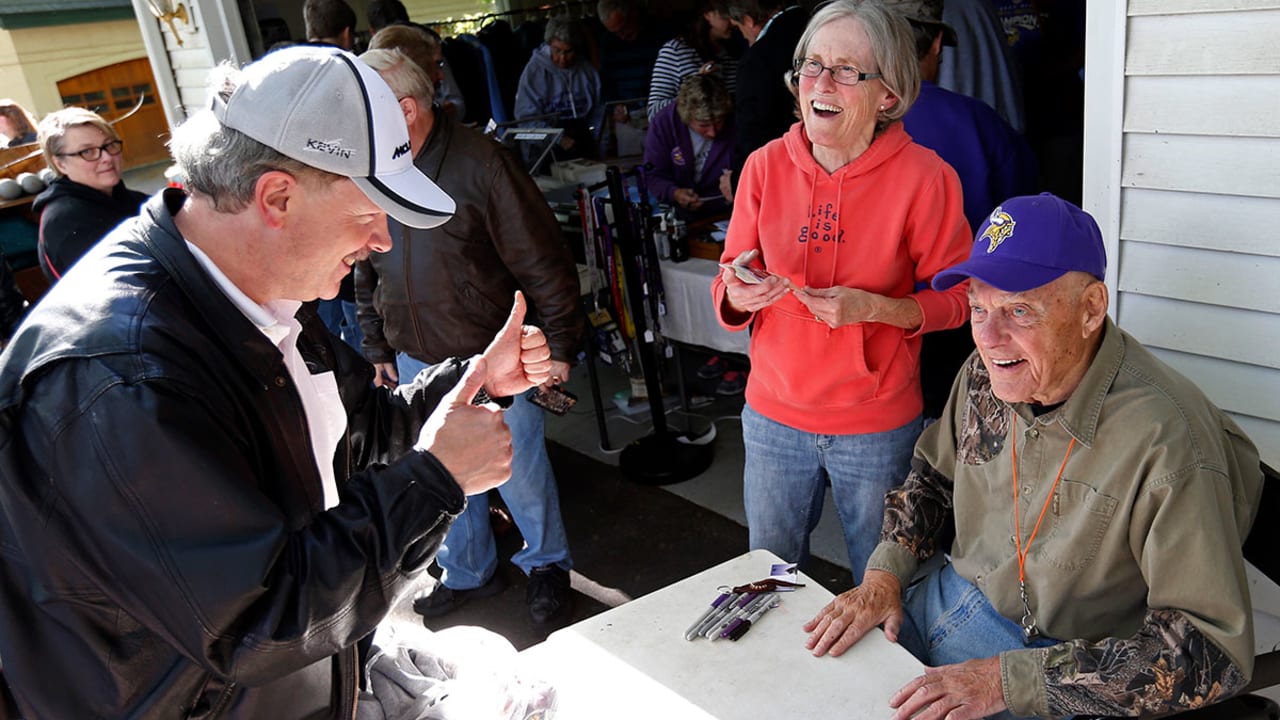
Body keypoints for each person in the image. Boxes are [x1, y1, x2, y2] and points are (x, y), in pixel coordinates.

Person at [0, 45, 558, 718]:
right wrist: (435, 483)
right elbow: (255, 623)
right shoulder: (123, 376)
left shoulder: (256, 291)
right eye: (368, 212)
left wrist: (474, 381)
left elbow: (355, 430)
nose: (384, 240)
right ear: (277, 197)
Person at [804, 193, 1263, 720]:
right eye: (979, 307)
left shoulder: (1168, 441)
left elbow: (1208, 650)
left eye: (1019, 310)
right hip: (947, 602)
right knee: (806, 691)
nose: (989, 337)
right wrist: (883, 576)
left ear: (1091, 308)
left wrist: (1007, 681)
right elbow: (933, 478)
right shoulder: (988, 370)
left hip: (1065, 667)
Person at [711, 0, 971, 581]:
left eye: (847, 70)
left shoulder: (927, 178)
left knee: (882, 589)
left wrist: (877, 309)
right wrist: (738, 294)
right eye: (811, 65)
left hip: (876, 427)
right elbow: (728, 280)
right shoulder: (763, 167)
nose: (821, 83)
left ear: (888, 94)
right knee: (769, 582)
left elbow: (962, 300)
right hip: (772, 415)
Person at [358, 47, 583, 625]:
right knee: (447, 475)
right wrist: (377, 345)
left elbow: (544, 261)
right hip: (414, 356)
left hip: (494, 356)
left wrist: (558, 347)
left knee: (520, 474)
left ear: (406, 110)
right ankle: (467, 572)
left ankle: (548, 566)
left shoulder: (483, 162)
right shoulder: (376, 168)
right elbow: (364, 264)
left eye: (369, 103)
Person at [889, 0, 1037, 419]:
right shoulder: (979, 120)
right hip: (964, 315)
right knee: (955, 430)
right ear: (936, 43)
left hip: (877, 320)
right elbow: (1019, 215)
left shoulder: (853, 126)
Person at [31, 107, 148, 283]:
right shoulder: (65, 222)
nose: (107, 157)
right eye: (87, 152)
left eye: (109, 145)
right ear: (60, 164)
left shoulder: (133, 200)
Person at [722, 0, 808, 198]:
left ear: (748, 20)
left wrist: (738, 182)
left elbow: (753, 133)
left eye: (738, 27)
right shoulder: (817, 27)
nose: (742, 36)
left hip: (784, 179)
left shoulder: (759, 58)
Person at [644, 73, 734, 217]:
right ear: (686, 118)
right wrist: (674, 193)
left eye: (718, 122)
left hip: (727, 213)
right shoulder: (665, 123)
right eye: (703, 125)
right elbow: (653, 175)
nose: (713, 133)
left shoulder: (736, 120)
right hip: (678, 216)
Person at [514, 16, 604, 155]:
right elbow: (526, 122)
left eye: (568, 52)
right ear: (549, 44)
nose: (562, 58)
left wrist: (600, 145)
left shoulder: (587, 71)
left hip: (583, 144)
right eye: (557, 50)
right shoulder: (533, 73)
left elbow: (598, 115)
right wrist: (557, 138)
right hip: (545, 150)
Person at [646, 0, 740, 119]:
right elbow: (654, 112)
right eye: (727, 15)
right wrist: (695, 89)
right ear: (707, 14)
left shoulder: (736, 50)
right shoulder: (676, 51)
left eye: (736, 15)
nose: (734, 21)